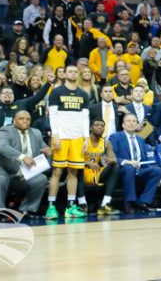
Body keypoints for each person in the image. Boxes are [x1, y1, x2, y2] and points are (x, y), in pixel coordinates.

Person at [0, 110, 52, 218]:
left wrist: (48, 150)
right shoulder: (5, 131)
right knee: (0, 179)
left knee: (41, 179)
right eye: (21, 118)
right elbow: (2, 147)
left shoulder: (36, 132)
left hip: (23, 171)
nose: (25, 121)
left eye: (28, 119)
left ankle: (26, 210)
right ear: (14, 120)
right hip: (1, 168)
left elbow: (43, 147)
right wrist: (23, 157)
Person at [45, 67, 91, 220]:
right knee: (57, 172)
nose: (72, 73)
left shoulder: (84, 94)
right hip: (61, 137)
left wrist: (86, 138)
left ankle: (70, 207)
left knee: (74, 172)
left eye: (74, 71)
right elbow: (53, 115)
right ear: (64, 74)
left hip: (78, 139)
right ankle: (51, 207)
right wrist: (55, 135)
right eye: (69, 71)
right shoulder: (56, 92)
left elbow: (85, 118)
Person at [109, 113, 161, 213]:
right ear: (123, 125)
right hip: (122, 170)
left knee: (157, 170)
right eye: (128, 121)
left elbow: (145, 160)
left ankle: (143, 202)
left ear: (137, 125)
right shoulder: (115, 137)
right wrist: (128, 162)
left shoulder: (141, 139)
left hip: (139, 170)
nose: (131, 123)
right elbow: (112, 157)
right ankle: (129, 202)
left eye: (134, 121)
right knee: (129, 168)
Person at [80, 118, 120, 215]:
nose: (100, 127)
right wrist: (88, 163)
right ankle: (82, 204)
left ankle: (105, 204)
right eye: (97, 125)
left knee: (115, 166)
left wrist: (110, 160)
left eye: (102, 126)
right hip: (82, 172)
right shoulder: (83, 140)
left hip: (97, 172)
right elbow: (73, 160)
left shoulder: (106, 143)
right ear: (90, 128)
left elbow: (114, 159)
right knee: (76, 169)